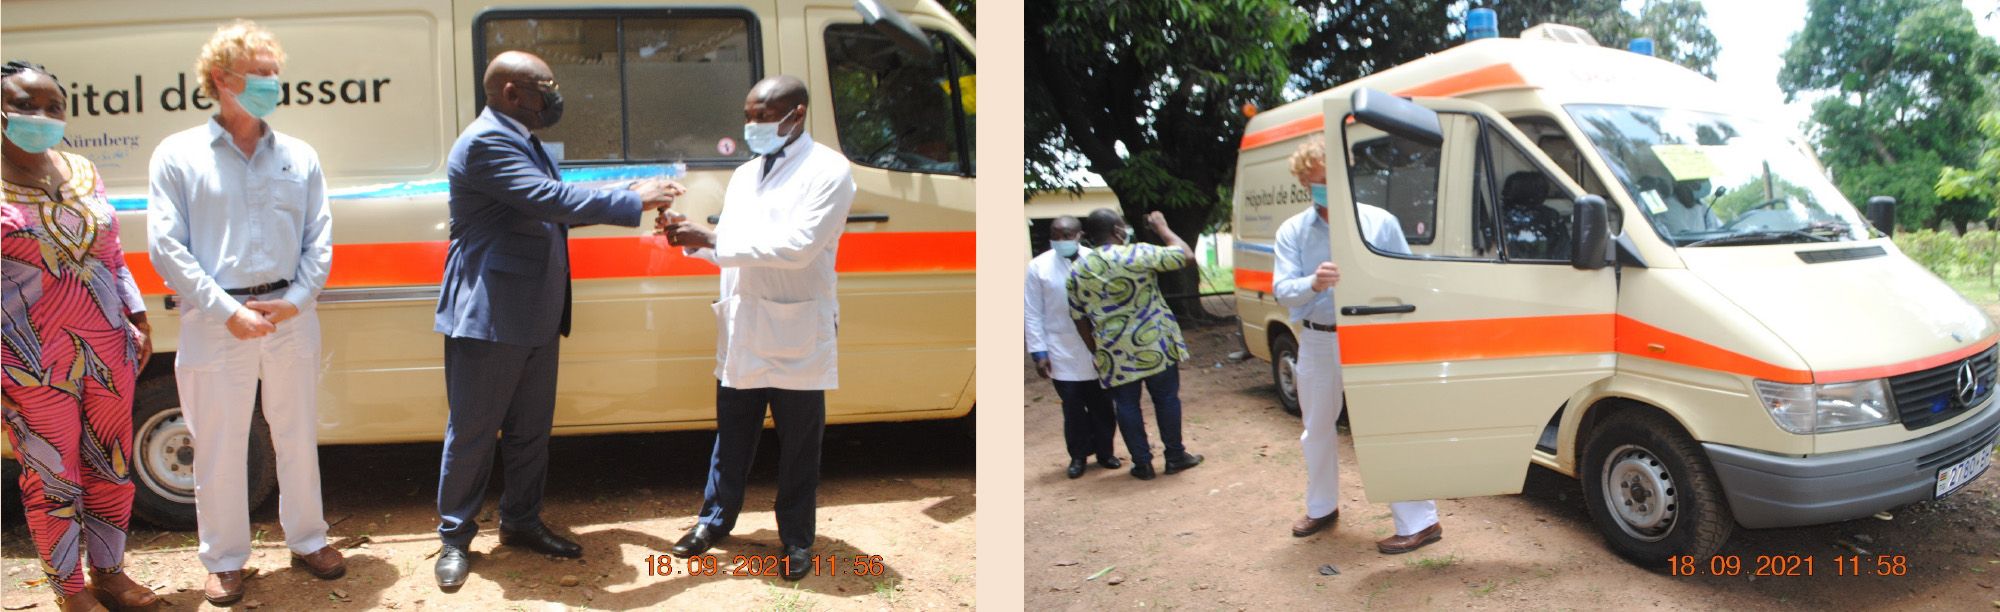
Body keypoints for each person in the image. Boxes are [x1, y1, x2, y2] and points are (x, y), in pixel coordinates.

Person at [431, 50, 681, 590]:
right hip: (489, 313)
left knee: (530, 432)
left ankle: (521, 521)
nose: (554, 96)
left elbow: (551, 211)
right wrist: (630, 199)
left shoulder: (525, 140)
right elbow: (547, 198)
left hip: (535, 309)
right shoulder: (486, 141)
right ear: (511, 93)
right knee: (473, 432)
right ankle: (455, 537)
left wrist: (625, 201)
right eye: (545, 87)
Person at [146, 21, 343, 605]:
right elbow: (166, 246)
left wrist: (296, 301)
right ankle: (225, 559)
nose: (271, 83)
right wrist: (226, 310)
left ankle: (308, 539)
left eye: (274, 72)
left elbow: (320, 239)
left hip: (290, 315)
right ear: (220, 78)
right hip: (214, 318)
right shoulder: (179, 155)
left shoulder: (299, 156)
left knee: (297, 432)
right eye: (258, 73)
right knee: (218, 442)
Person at [658, 75, 854, 582]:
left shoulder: (830, 171)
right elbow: (733, 248)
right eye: (748, 117)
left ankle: (796, 539)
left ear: (797, 114)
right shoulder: (746, 174)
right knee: (733, 434)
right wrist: (690, 240)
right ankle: (714, 521)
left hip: (796, 329)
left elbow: (799, 246)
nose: (752, 126)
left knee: (799, 444)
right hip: (744, 327)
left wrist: (713, 238)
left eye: (763, 117)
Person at [2, 60, 163, 612]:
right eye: (26, 105)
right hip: (28, 360)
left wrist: (137, 315)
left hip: (107, 348)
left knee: (111, 466)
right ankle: (70, 592)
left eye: (54, 107)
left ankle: (111, 574)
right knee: (53, 478)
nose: (42, 116)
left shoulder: (82, 170)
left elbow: (111, 254)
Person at [1277, 136, 1442, 554]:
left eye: (1330, 178)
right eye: (1315, 181)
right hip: (1318, 337)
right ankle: (1321, 507)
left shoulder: (1379, 222)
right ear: (1304, 183)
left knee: (1388, 426)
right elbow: (1282, 290)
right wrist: (1314, 283)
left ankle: (1420, 522)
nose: (1323, 188)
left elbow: (1406, 279)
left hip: (1373, 337)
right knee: (1317, 428)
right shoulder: (1293, 231)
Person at [1066, 208, 1204, 480]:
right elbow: (1186, 256)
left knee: (1127, 406)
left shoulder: (1077, 270)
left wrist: (1096, 350)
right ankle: (1175, 456)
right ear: (1118, 231)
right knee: (1166, 399)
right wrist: (1162, 227)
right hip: (1155, 346)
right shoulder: (1137, 253)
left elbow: (1078, 318)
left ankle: (1142, 464)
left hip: (1113, 352)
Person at [1025, 216, 1119, 478]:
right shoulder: (1038, 267)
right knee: (1072, 407)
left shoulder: (1096, 260)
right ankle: (1078, 456)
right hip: (1060, 348)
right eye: (1055, 235)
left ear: (1080, 235)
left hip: (1097, 346)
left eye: (1066, 236)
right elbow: (1032, 312)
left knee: (1103, 406)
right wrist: (1039, 352)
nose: (1060, 241)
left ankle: (1105, 452)